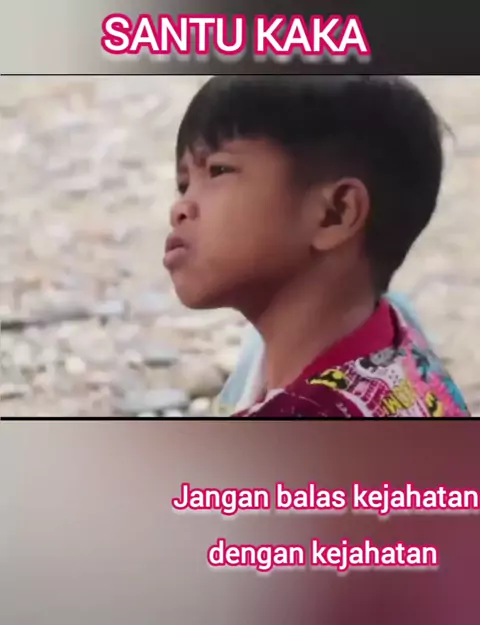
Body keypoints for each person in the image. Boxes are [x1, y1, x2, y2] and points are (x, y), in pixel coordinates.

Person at [164, 75, 470, 418]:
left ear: (334, 214)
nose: (181, 208)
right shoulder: (399, 339)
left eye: (218, 170)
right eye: (184, 184)